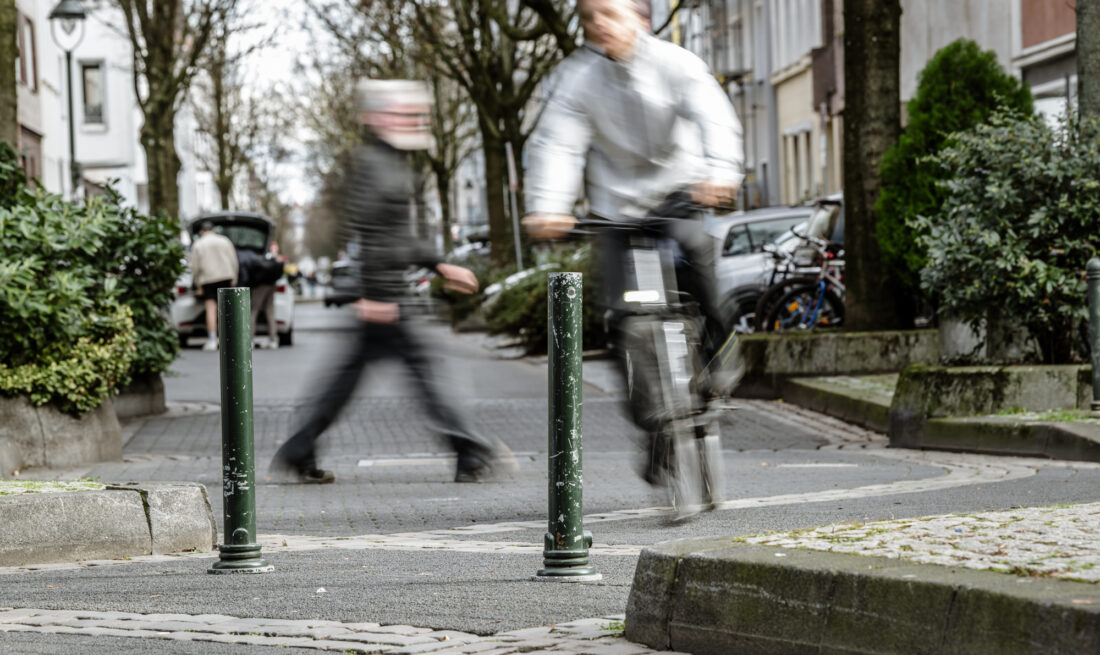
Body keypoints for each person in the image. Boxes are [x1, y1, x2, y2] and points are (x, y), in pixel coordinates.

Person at [523, 0, 744, 478]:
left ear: (639, 19)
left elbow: (713, 115)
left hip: (679, 191)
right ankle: (654, 426)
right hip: (617, 212)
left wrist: (722, 173)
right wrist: (548, 206)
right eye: (589, 17)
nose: (599, 24)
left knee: (701, 277)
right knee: (622, 318)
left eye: (609, 13)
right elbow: (557, 143)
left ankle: (722, 357)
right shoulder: (578, 79)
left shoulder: (676, 63)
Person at [270, 79, 509, 485]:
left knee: (352, 378)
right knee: (422, 370)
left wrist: (438, 265)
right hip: (385, 295)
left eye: (415, 114)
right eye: (402, 113)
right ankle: (468, 449)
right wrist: (380, 291)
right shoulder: (374, 163)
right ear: (377, 117)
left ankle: (300, 446)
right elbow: (374, 229)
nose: (413, 120)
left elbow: (394, 229)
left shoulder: (391, 160)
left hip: (387, 292)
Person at [190, 221, 239, 351]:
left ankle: (212, 339)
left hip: (208, 279)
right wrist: (234, 278)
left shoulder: (198, 244)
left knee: (211, 309)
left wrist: (197, 283)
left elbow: (194, 267)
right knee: (227, 309)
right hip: (226, 277)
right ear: (214, 230)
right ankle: (230, 338)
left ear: (201, 232)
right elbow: (234, 260)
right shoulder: (225, 241)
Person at [237, 248, 283, 349]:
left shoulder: (241, 256)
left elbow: (244, 276)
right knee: (270, 310)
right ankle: (273, 339)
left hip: (260, 286)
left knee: (253, 310)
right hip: (271, 284)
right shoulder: (262, 256)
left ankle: (250, 340)